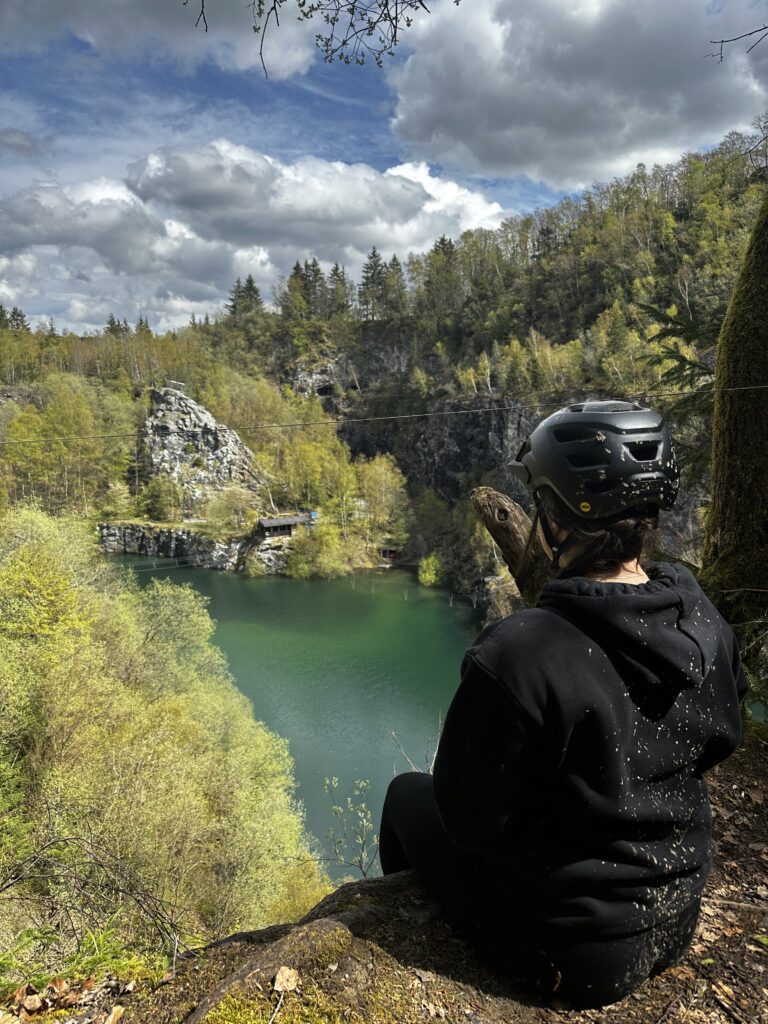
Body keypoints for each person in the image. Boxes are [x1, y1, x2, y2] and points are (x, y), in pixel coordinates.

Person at [379, 400, 748, 1009]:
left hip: (574, 956)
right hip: (677, 913)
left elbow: (466, 821)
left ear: (555, 519)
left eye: (541, 503)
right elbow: (723, 737)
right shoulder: (701, 617)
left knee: (404, 797)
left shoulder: (523, 651)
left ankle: (411, 930)